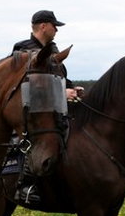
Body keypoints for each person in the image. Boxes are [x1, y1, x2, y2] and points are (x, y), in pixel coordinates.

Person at [10, 10, 82, 205]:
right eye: (54, 25)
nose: (56, 29)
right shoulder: (23, 50)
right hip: (32, 112)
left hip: (54, 109)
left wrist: (71, 88)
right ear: (43, 26)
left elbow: (59, 77)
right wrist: (60, 93)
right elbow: (29, 85)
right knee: (28, 142)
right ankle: (25, 186)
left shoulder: (52, 50)